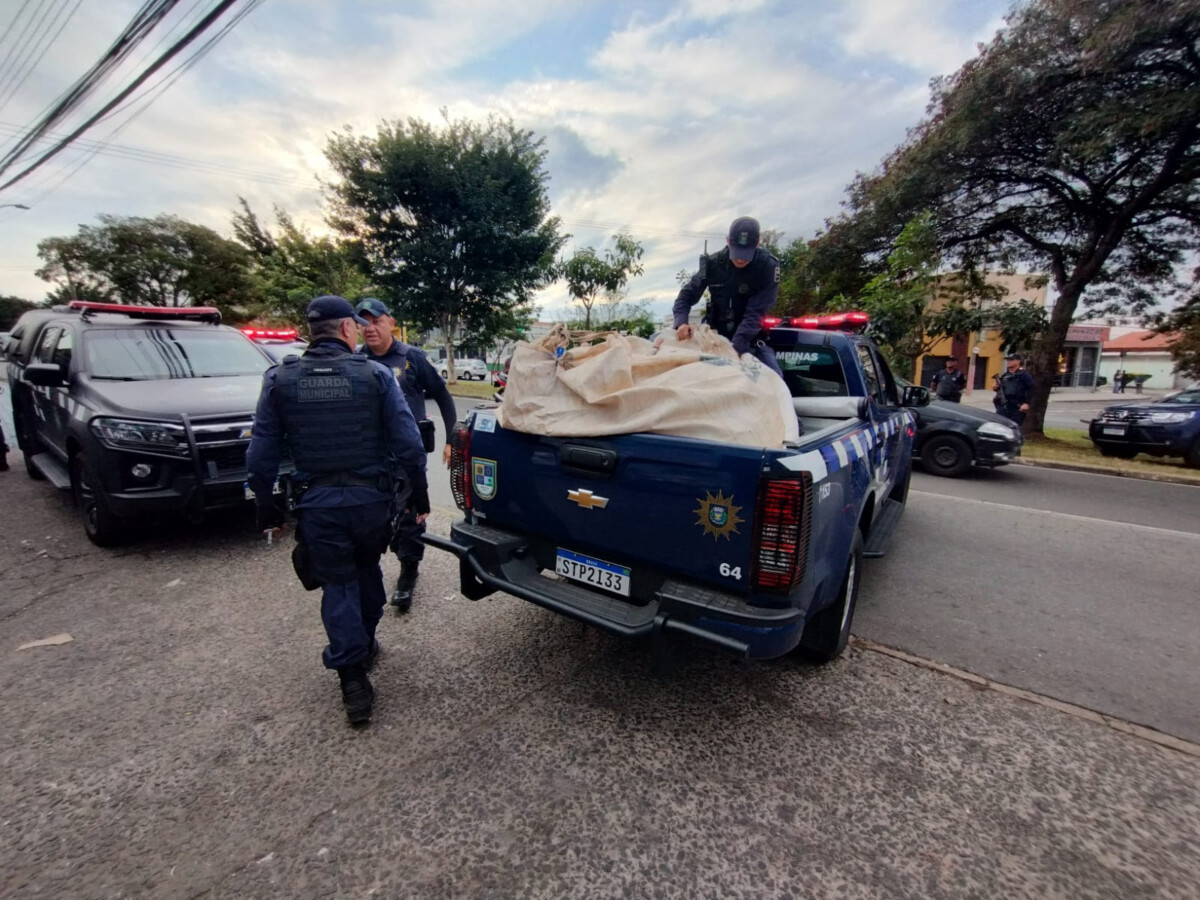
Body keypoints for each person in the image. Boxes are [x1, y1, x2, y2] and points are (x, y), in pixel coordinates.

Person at [246, 295, 430, 726]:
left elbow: (260, 454)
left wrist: (265, 506)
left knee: (339, 585)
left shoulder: (279, 379)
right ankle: (362, 645)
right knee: (366, 571)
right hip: (370, 504)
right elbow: (409, 445)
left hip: (319, 507)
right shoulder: (377, 376)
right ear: (348, 329)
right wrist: (419, 497)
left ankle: (352, 678)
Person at [354, 297, 457, 614]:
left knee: (412, 513)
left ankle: (408, 571)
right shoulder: (357, 360)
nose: (370, 328)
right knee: (382, 515)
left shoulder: (411, 358)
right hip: (371, 455)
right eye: (364, 323)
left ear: (390, 322)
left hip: (407, 452)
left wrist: (451, 438)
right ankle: (399, 548)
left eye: (376, 321)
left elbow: (442, 394)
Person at [671, 216, 783, 375]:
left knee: (775, 379)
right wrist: (681, 323)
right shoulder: (713, 263)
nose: (739, 258)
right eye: (736, 251)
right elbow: (686, 297)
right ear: (728, 241)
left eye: (745, 254)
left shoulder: (768, 266)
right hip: (713, 340)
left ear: (758, 243)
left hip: (749, 341)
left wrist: (735, 349)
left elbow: (756, 312)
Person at [995, 354, 1035, 426]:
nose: (1008, 362)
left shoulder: (1024, 375)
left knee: (1014, 428)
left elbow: (1031, 389)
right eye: (1008, 360)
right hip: (1003, 406)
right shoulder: (1005, 376)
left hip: (1017, 407)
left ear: (1018, 361)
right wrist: (995, 387)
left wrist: (1026, 403)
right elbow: (1000, 389)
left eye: (1011, 360)